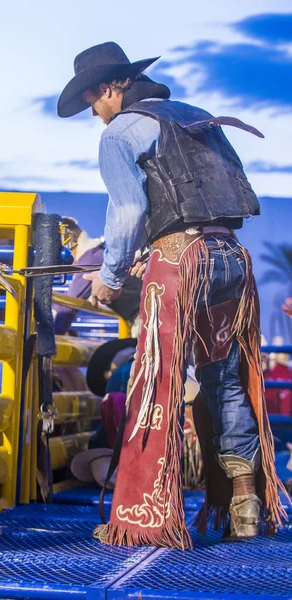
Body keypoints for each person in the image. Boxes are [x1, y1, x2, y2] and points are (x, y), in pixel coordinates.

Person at [57, 42, 286, 548]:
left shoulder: (120, 131)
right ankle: (245, 506)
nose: (95, 114)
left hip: (181, 262)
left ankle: (145, 516)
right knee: (225, 382)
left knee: (156, 377)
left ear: (107, 89)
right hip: (230, 257)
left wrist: (112, 274)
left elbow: (129, 210)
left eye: (93, 103)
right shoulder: (197, 116)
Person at [54, 217, 142, 335]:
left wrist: (53, 335)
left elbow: (70, 302)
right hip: (142, 314)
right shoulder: (98, 255)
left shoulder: (90, 259)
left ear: (68, 243)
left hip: (143, 318)